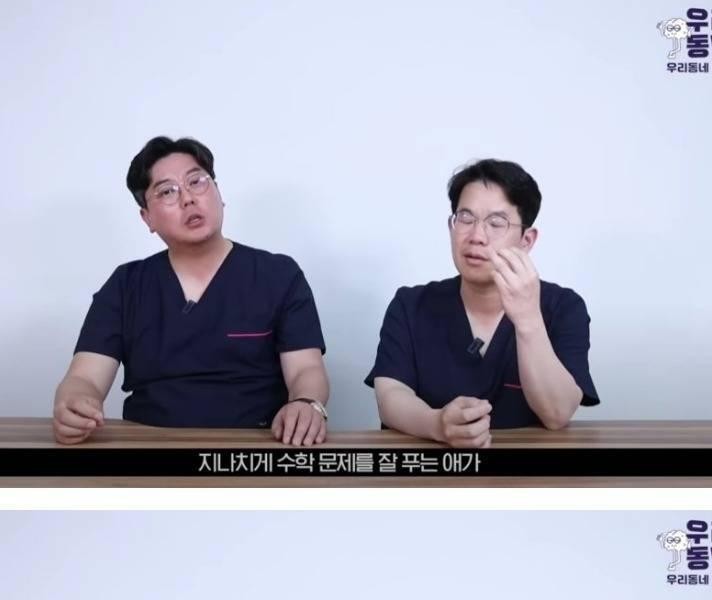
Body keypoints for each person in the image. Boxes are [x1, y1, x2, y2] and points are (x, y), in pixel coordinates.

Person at [53, 136, 329, 446]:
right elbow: (85, 378)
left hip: (253, 448)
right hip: (150, 447)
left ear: (218, 193)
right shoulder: (126, 285)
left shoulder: (278, 275)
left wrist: (306, 403)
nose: (188, 198)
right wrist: (73, 403)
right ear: (147, 218)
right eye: (167, 191)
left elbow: (305, 369)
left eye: (196, 182)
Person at [365, 159, 599, 447]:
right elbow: (390, 395)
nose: (476, 236)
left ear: (526, 240)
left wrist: (528, 320)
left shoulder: (564, 307)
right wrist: (436, 424)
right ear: (451, 225)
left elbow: (557, 414)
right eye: (466, 218)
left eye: (496, 223)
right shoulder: (411, 305)